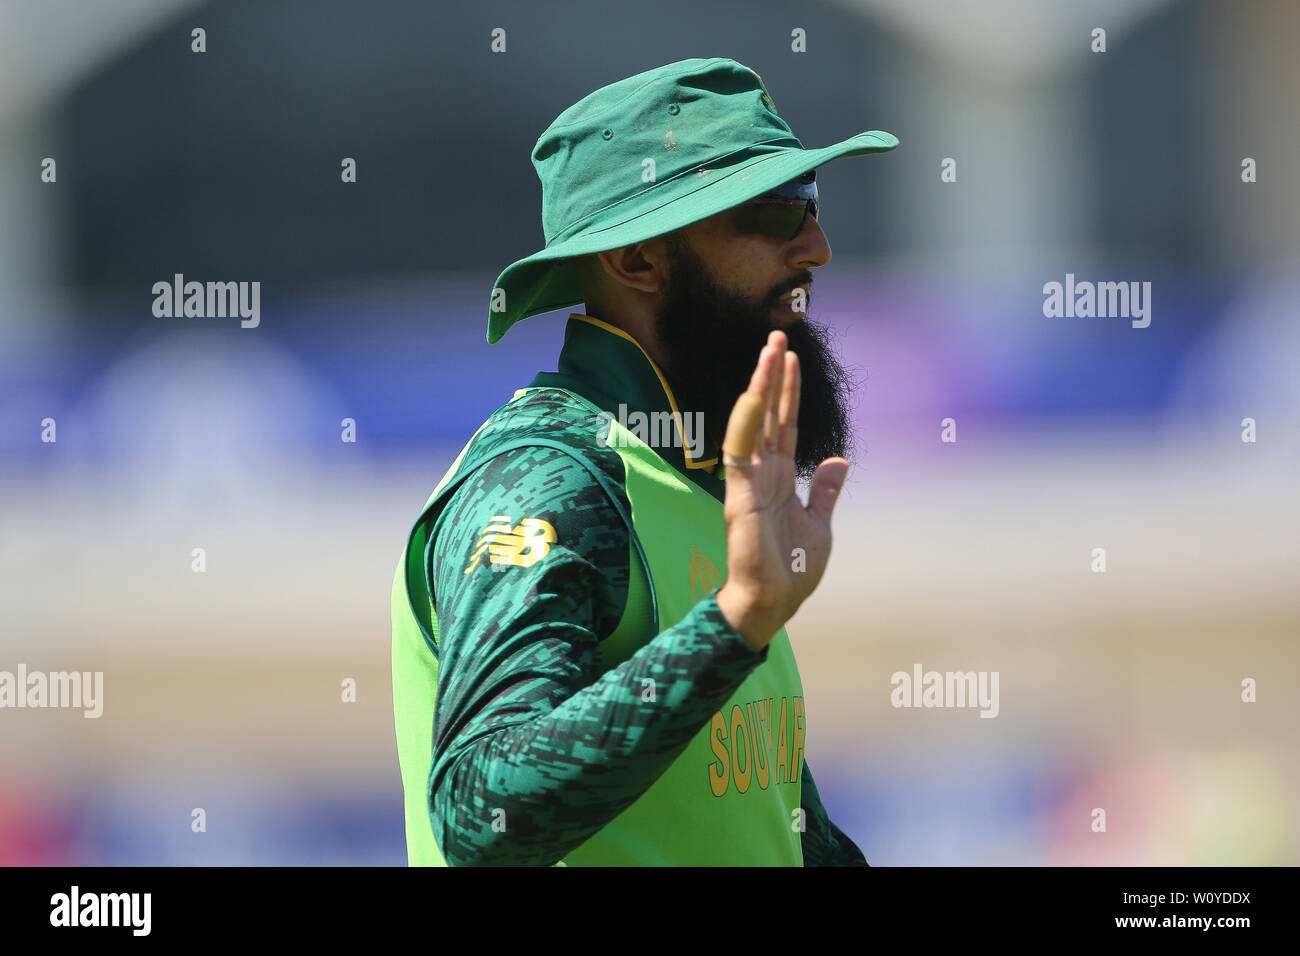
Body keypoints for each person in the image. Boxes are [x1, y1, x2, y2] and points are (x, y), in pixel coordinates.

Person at [391, 57, 898, 866]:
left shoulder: (697, 476)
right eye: (775, 211)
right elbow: (478, 807)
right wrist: (736, 623)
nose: (818, 248)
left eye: (813, 203)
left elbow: (771, 835)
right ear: (638, 262)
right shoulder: (547, 475)